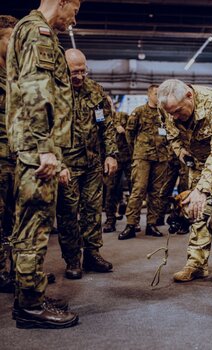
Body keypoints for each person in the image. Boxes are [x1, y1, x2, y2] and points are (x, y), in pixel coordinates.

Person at [6, 0, 81, 329]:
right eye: (74, 10)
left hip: (34, 147)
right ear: (62, 2)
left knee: (30, 225)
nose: (74, 19)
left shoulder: (32, 30)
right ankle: (30, 307)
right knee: (34, 229)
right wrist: (45, 149)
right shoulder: (38, 33)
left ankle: (30, 294)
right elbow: (37, 92)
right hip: (38, 150)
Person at [157, 79, 212, 283]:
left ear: (189, 96)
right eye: (170, 113)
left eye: (177, 111)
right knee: (196, 212)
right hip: (198, 163)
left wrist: (203, 189)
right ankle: (196, 264)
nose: (174, 116)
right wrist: (181, 152)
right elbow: (170, 134)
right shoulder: (167, 108)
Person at [56, 48, 117, 280]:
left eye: (83, 71)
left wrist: (111, 154)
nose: (79, 76)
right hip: (67, 164)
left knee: (92, 210)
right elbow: (46, 130)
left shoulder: (95, 91)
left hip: (92, 163)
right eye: (74, 72)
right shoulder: (55, 91)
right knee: (68, 213)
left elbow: (106, 125)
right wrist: (59, 164)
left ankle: (92, 254)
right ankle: (72, 260)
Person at [118, 85, 169, 240]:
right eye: (156, 94)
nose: (159, 97)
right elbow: (129, 134)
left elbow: (171, 132)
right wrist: (136, 151)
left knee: (156, 192)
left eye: (161, 94)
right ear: (149, 95)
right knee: (138, 190)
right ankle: (131, 225)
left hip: (161, 157)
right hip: (142, 157)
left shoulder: (165, 113)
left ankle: (151, 224)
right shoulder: (139, 111)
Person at [0, 15, 18, 294]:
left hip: (16, 157)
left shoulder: (17, 73)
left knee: (14, 218)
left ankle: (14, 271)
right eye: (10, 37)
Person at [103, 105, 133, 233]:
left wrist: (124, 130)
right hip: (111, 159)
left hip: (127, 157)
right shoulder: (102, 118)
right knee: (111, 190)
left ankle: (132, 222)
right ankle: (110, 221)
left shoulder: (123, 116)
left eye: (110, 103)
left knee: (134, 188)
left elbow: (133, 132)